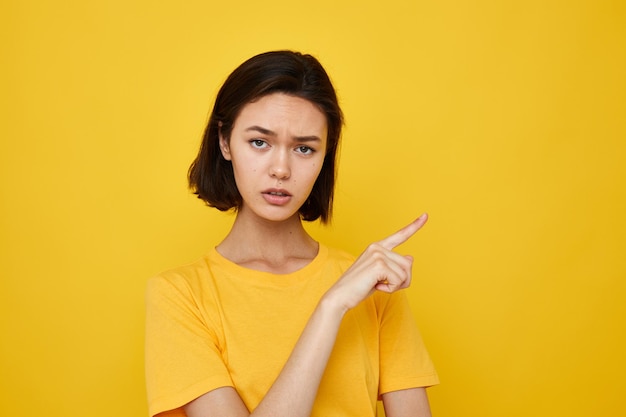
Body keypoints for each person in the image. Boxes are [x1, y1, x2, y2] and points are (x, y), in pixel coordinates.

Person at [145, 50, 439, 417]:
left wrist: (347, 294)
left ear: (324, 155)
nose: (281, 169)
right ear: (224, 141)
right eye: (259, 142)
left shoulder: (374, 286)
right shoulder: (180, 295)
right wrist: (330, 308)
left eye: (304, 148)